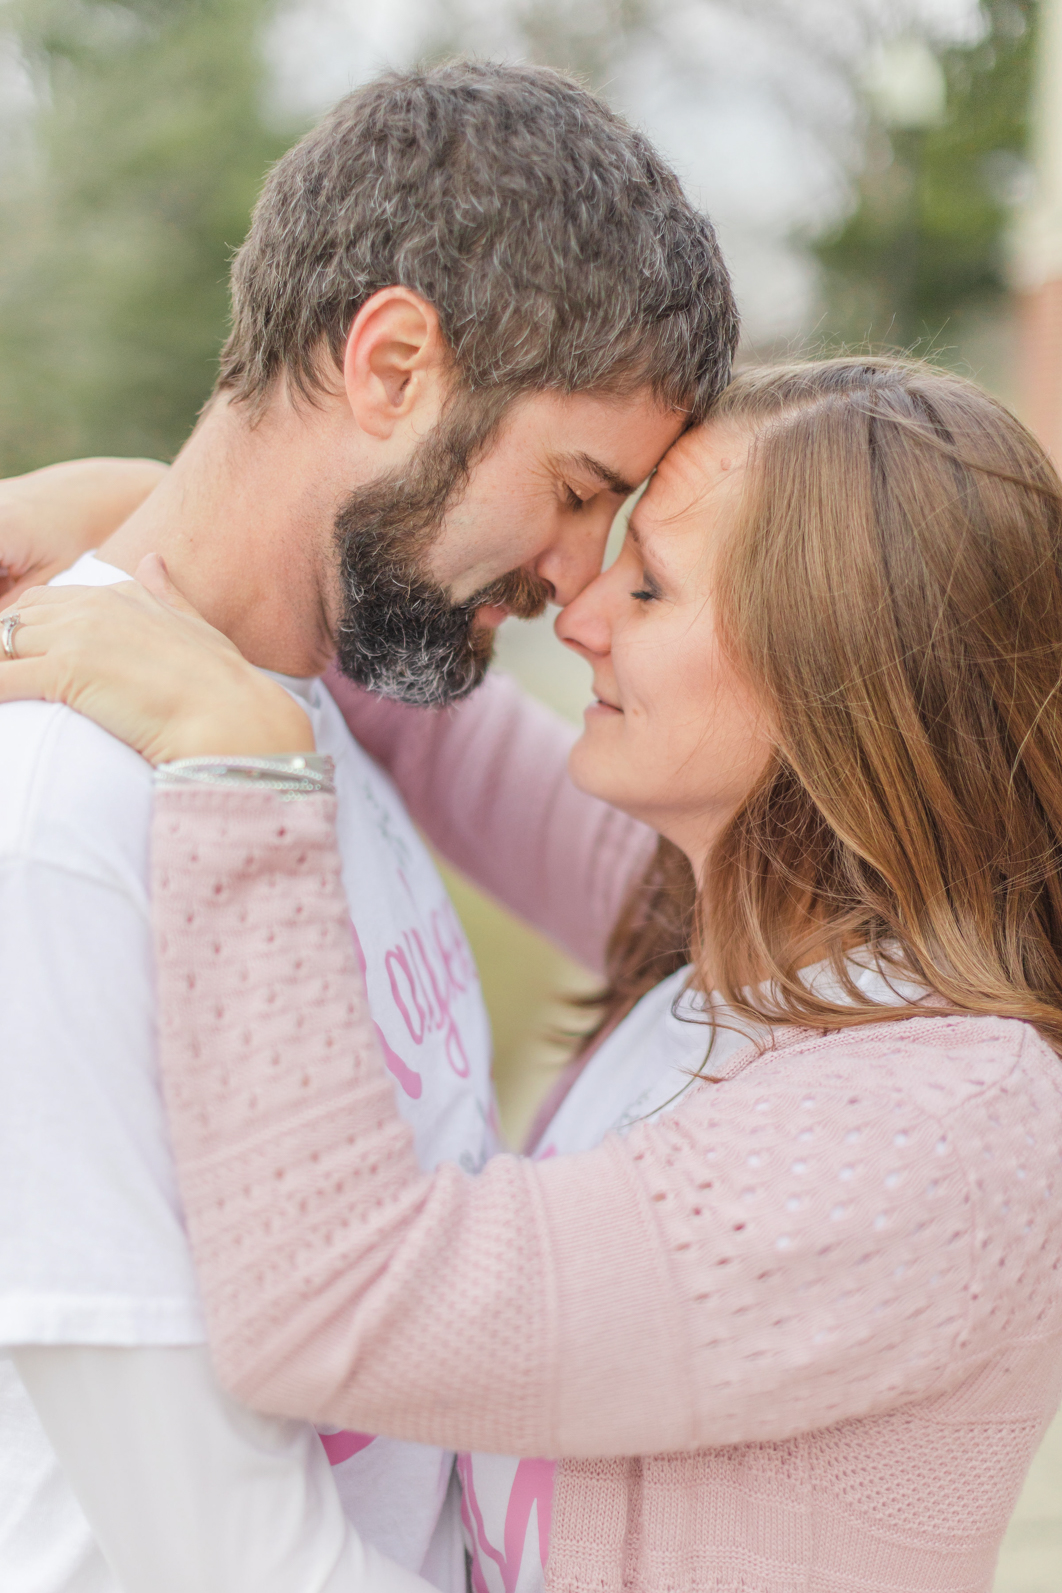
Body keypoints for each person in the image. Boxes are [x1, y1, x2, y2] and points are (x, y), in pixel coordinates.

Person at [5, 355, 1062, 1593]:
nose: (580, 616)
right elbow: (421, 728)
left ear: (834, 679)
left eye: (652, 587)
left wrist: (243, 770)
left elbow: (344, 1306)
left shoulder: (925, 1131)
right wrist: (159, 512)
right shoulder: (758, 935)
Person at [0, 58, 737, 1593]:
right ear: (391, 364)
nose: (567, 585)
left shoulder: (304, 725)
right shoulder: (62, 808)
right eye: (570, 486)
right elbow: (201, 1545)